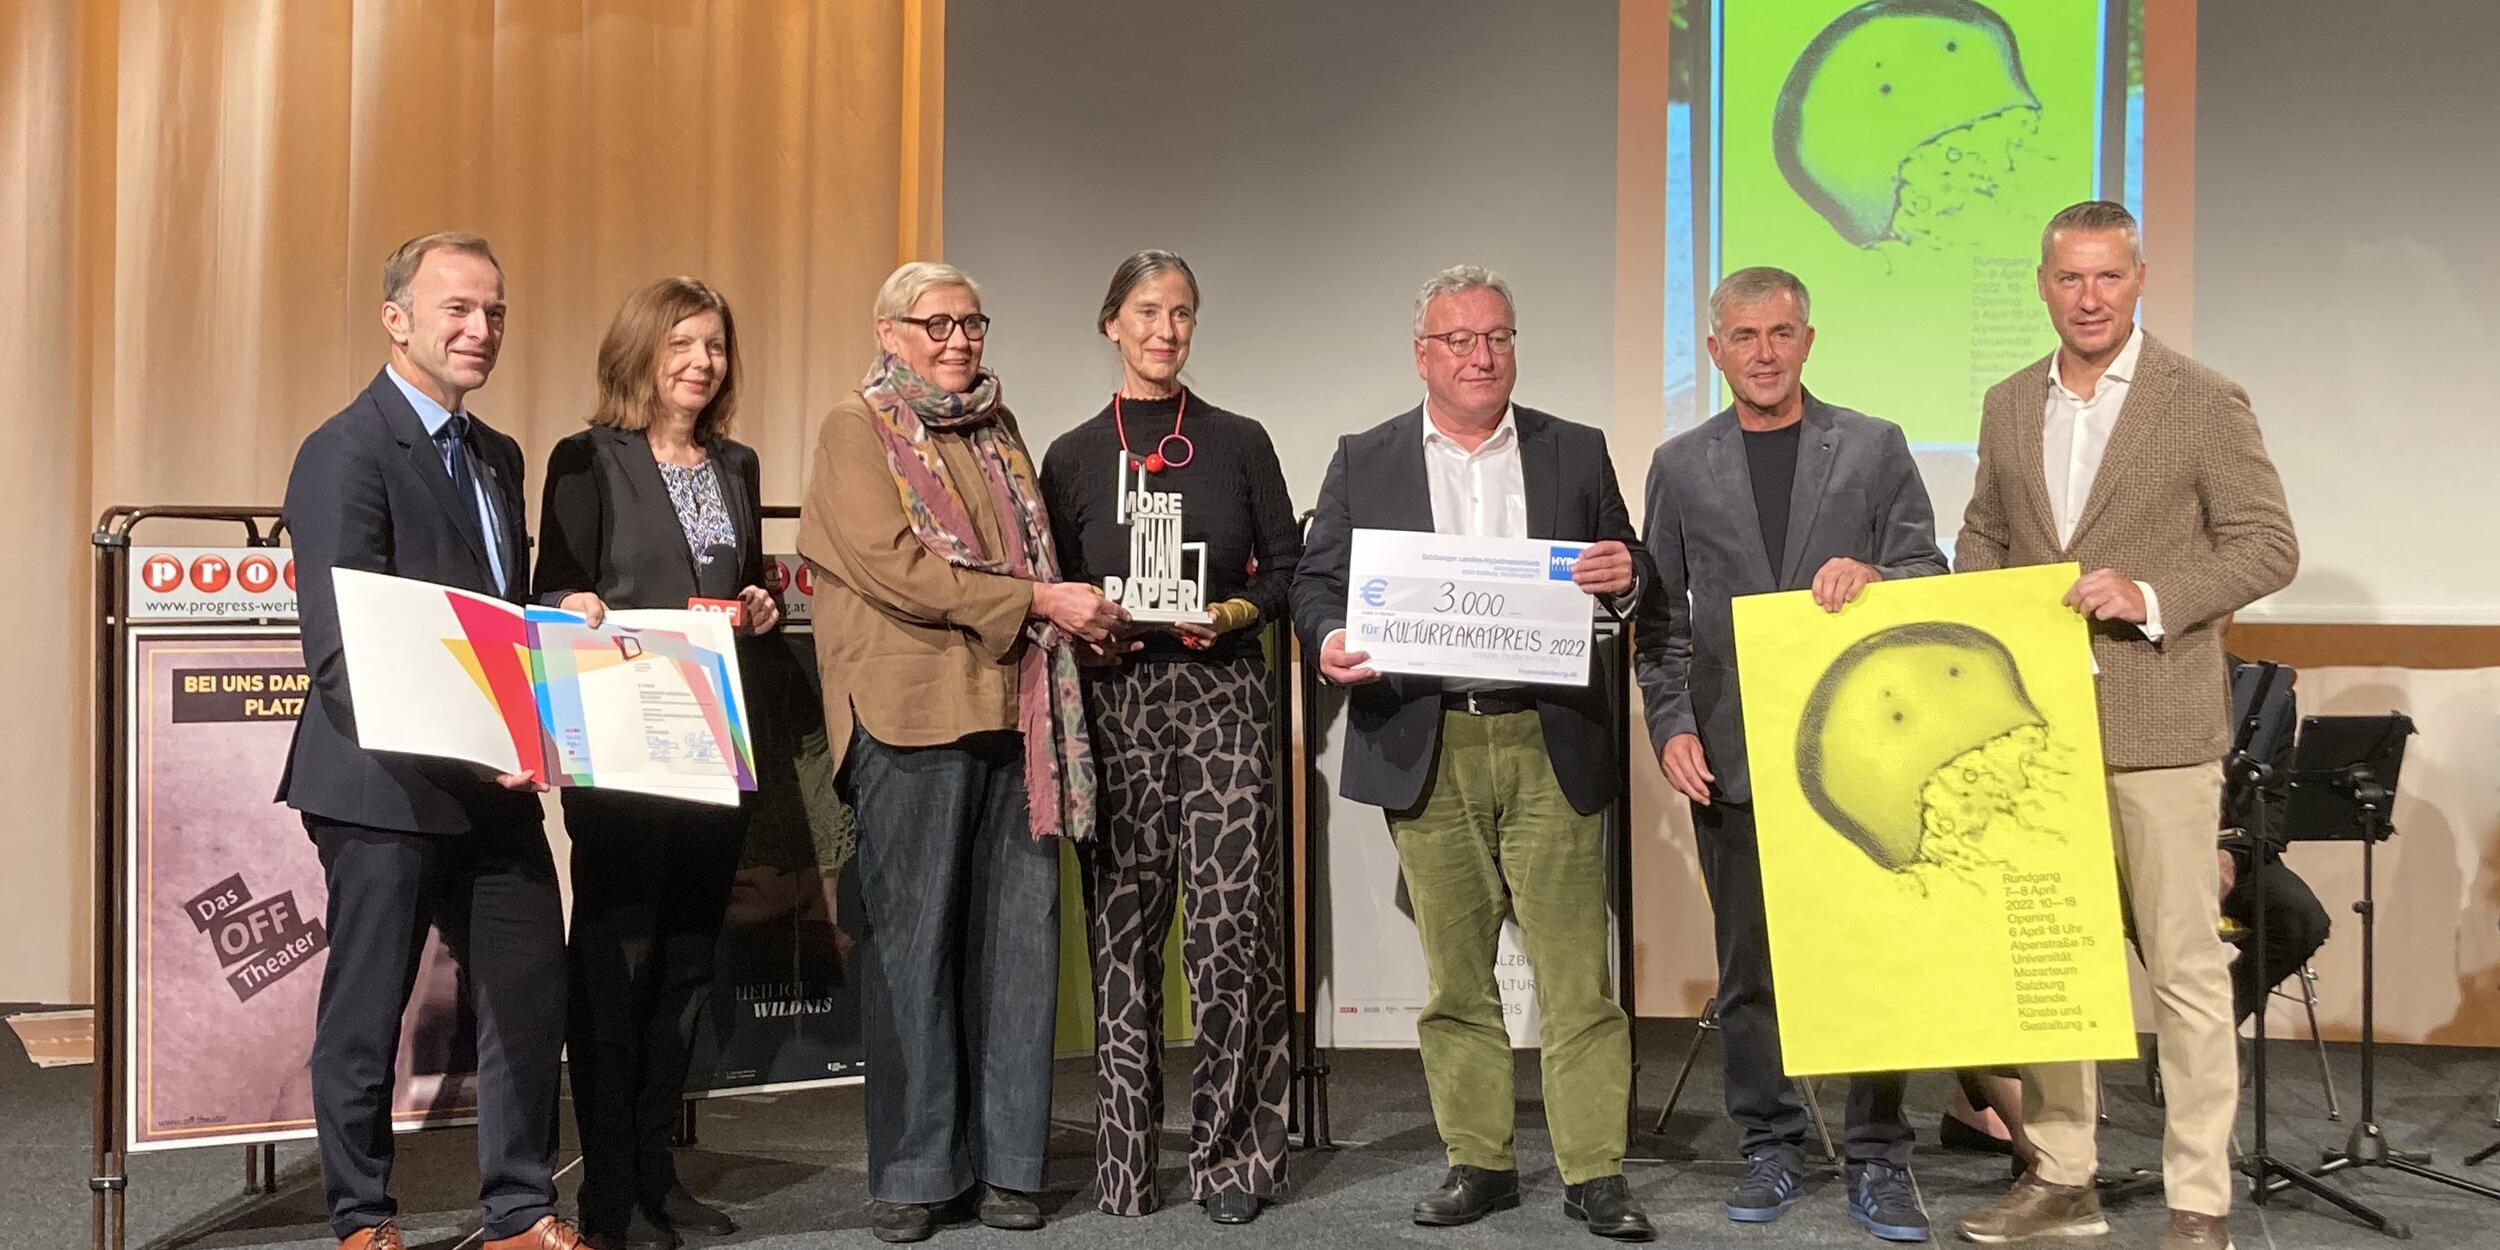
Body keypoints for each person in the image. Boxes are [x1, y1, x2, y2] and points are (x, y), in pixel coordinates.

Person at [1953, 201, 2298, 1250]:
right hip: (2038, 737)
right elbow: (1982, 532)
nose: (2089, 297)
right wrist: (1984, 597)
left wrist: (2146, 592)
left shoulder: (2202, 399)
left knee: (2186, 971)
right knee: (2055, 964)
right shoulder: (2010, 402)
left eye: (2107, 277)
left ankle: (2198, 1199)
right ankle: (2062, 1176)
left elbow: (2266, 546)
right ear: (2043, 283)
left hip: (2160, 726)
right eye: (2069, 278)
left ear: (2138, 278)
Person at [1293, 265, 1656, 1242]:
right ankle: (1479, 1161)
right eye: (1459, 340)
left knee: (1577, 975)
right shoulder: (1363, 459)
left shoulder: (1572, 450)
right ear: (1423, 355)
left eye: (1496, 337)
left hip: (1549, 736)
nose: (1481, 356)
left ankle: (1596, 1171)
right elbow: (1316, 583)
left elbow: (1626, 569)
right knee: (1456, 977)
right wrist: (1328, 639)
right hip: (1426, 738)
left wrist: (1626, 576)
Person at [796, 261, 1126, 1244]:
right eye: (935, 323)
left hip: (1013, 712)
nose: (957, 339)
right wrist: (1038, 601)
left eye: (971, 321)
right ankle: (914, 1168)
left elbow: (1026, 556)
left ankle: (1013, 1164)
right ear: (888, 330)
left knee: (1018, 953)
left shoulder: (997, 428)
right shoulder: (855, 428)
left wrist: (1070, 605)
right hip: (907, 716)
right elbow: (900, 571)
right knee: (915, 953)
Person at [278, 232, 585, 1250]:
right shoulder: (343, 451)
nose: (480, 329)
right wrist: (477, 738)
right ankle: (361, 1217)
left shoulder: (496, 454)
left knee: (531, 991)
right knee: (366, 1012)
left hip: (495, 781)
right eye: (457, 308)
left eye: (494, 311)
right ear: (396, 318)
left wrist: (557, 616)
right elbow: (343, 654)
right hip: (380, 783)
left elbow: (486, 618)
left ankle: (519, 1211)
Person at [1633, 266, 1949, 1242]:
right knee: (1749, 966)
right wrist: (1672, 725)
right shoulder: (1680, 465)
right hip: (1731, 756)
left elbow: (1927, 575)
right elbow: (1658, 626)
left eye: (1781, 332)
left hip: (1862, 752)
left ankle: (1878, 1156)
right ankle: (1769, 1143)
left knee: (1872, 955)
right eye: (1743, 334)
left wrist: (1879, 575)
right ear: (1716, 347)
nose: (1763, 351)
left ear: (1808, 340)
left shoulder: (1874, 446)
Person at [1039, 251, 1299, 1224]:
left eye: (1182, 312)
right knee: (1122, 942)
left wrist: (1231, 614)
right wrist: (1085, 619)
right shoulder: (1068, 455)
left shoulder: (1237, 440)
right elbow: (1053, 590)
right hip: (1116, 710)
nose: (1166, 329)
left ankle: (1231, 1159)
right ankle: (1125, 1167)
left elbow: (1285, 570)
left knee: (1230, 940)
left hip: (1225, 701)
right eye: (1147, 311)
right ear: (1110, 321)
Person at [532, 277, 781, 1250]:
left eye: (714, 345)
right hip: (620, 740)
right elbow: (551, 581)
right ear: (641, 350)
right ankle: (607, 1194)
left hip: (711, 741)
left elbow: (740, 584)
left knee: (684, 966)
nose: (701, 362)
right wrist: (570, 601)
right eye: (681, 342)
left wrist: (757, 606)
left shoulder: (737, 463)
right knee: (615, 965)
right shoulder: (586, 457)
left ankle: (656, 1170)